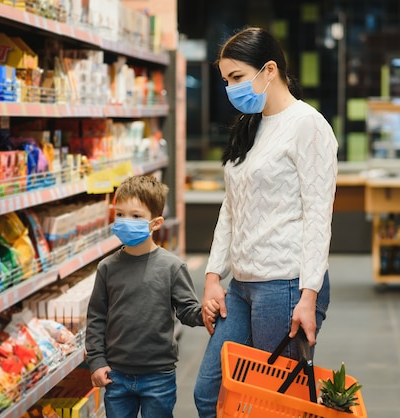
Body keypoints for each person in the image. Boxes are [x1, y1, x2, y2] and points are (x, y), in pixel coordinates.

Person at [194, 27, 338, 417]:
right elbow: (231, 206)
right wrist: (212, 276)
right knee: (209, 392)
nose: (230, 88)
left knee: (271, 406)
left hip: (286, 285)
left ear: (269, 69)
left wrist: (308, 296)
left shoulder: (307, 125)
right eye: (226, 81)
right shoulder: (249, 126)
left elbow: (318, 215)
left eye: (237, 77)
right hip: (242, 285)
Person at [85, 175, 218, 418]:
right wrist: (96, 360)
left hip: (158, 376)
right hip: (116, 374)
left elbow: (187, 311)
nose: (126, 221)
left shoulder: (172, 267)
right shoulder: (107, 268)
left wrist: (205, 313)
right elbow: (96, 317)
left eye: (136, 216)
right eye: (120, 214)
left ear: (155, 223)